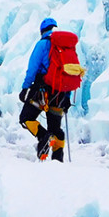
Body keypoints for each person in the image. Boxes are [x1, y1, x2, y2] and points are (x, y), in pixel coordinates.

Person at [18, 18, 86, 162]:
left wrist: (25, 88)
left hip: (42, 91)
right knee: (55, 128)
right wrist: (67, 96)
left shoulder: (42, 44)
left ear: (42, 31)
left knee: (25, 118)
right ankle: (58, 159)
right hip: (61, 92)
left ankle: (43, 136)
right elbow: (69, 72)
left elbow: (32, 68)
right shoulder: (65, 48)